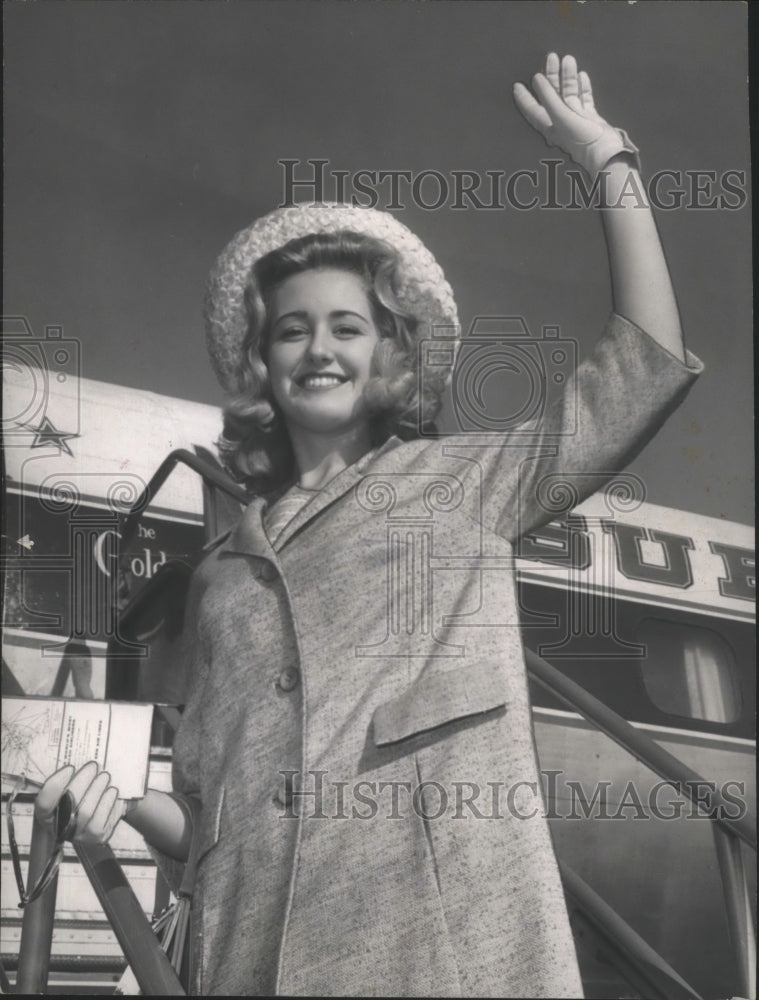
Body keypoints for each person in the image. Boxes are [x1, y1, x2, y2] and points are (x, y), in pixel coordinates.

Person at [35, 54, 702, 997]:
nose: (318, 349)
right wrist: (124, 805)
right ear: (262, 364)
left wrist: (607, 162)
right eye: (291, 329)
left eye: (348, 327)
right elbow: (204, 823)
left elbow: (645, 366)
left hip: (437, 958)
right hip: (249, 964)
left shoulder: (463, 482)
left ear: (393, 357)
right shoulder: (223, 574)